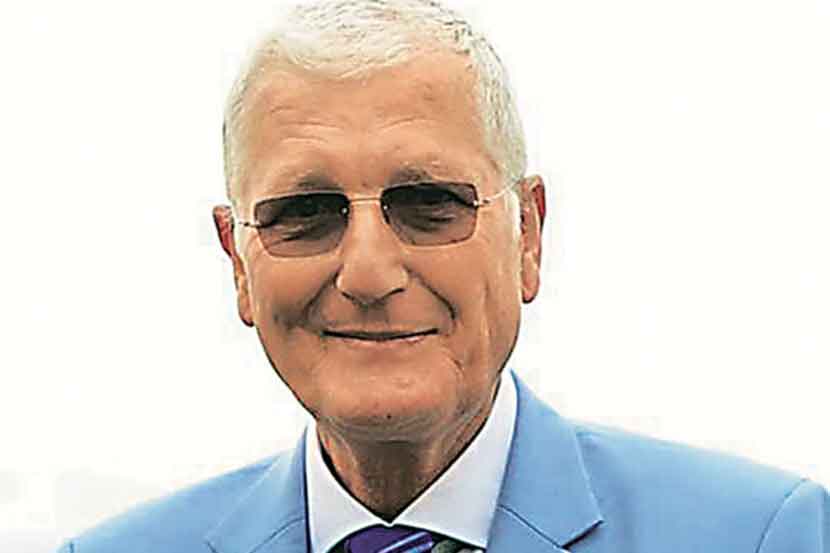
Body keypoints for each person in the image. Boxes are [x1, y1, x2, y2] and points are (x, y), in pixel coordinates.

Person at [58, 1, 828, 552]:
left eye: (429, 203)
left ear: (528, 236)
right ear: (238, 261)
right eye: (307, 212)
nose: (367, 271)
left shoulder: (764, 535)